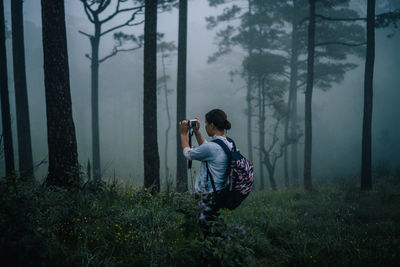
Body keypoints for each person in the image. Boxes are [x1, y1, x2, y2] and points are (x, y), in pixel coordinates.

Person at [179, 109, 234, 217]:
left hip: (207, 196)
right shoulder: (229, 143)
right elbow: (207, 148)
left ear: (212, 125)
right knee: (214, 226)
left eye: (206, 123)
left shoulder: (211, 148)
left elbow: (188, 153)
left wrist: (183, 134)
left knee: (204, 228)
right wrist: (196, 131)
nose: (205, 126)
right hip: (221, 193)